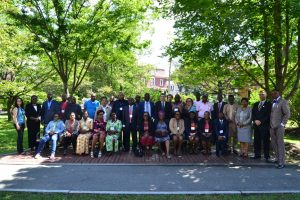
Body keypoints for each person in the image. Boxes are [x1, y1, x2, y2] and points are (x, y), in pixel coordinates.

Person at [270, 90, 290, 169]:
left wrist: (282, 124)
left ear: (279, 94)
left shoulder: (283, 101)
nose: (274, 94)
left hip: (279, 127)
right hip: (271, 127)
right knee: (274, 143)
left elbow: (287, 113)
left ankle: (281, 162)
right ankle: (278, 158)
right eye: (273, 93)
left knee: (280, 144)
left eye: (276, 93)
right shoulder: (272, 102)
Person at [251, 90, 272, 161]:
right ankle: (257, 155)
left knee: (266, 141)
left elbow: (269, 115)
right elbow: (253, 114)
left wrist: (261, 121)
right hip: (256, 126)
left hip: (264, 126)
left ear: (266, 95)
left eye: (262, 94)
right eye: (260, 94)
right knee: (256, 141)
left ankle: (267, 156)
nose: (261, 95)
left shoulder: (269, 104)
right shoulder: (256, 104)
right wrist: (255, 120)